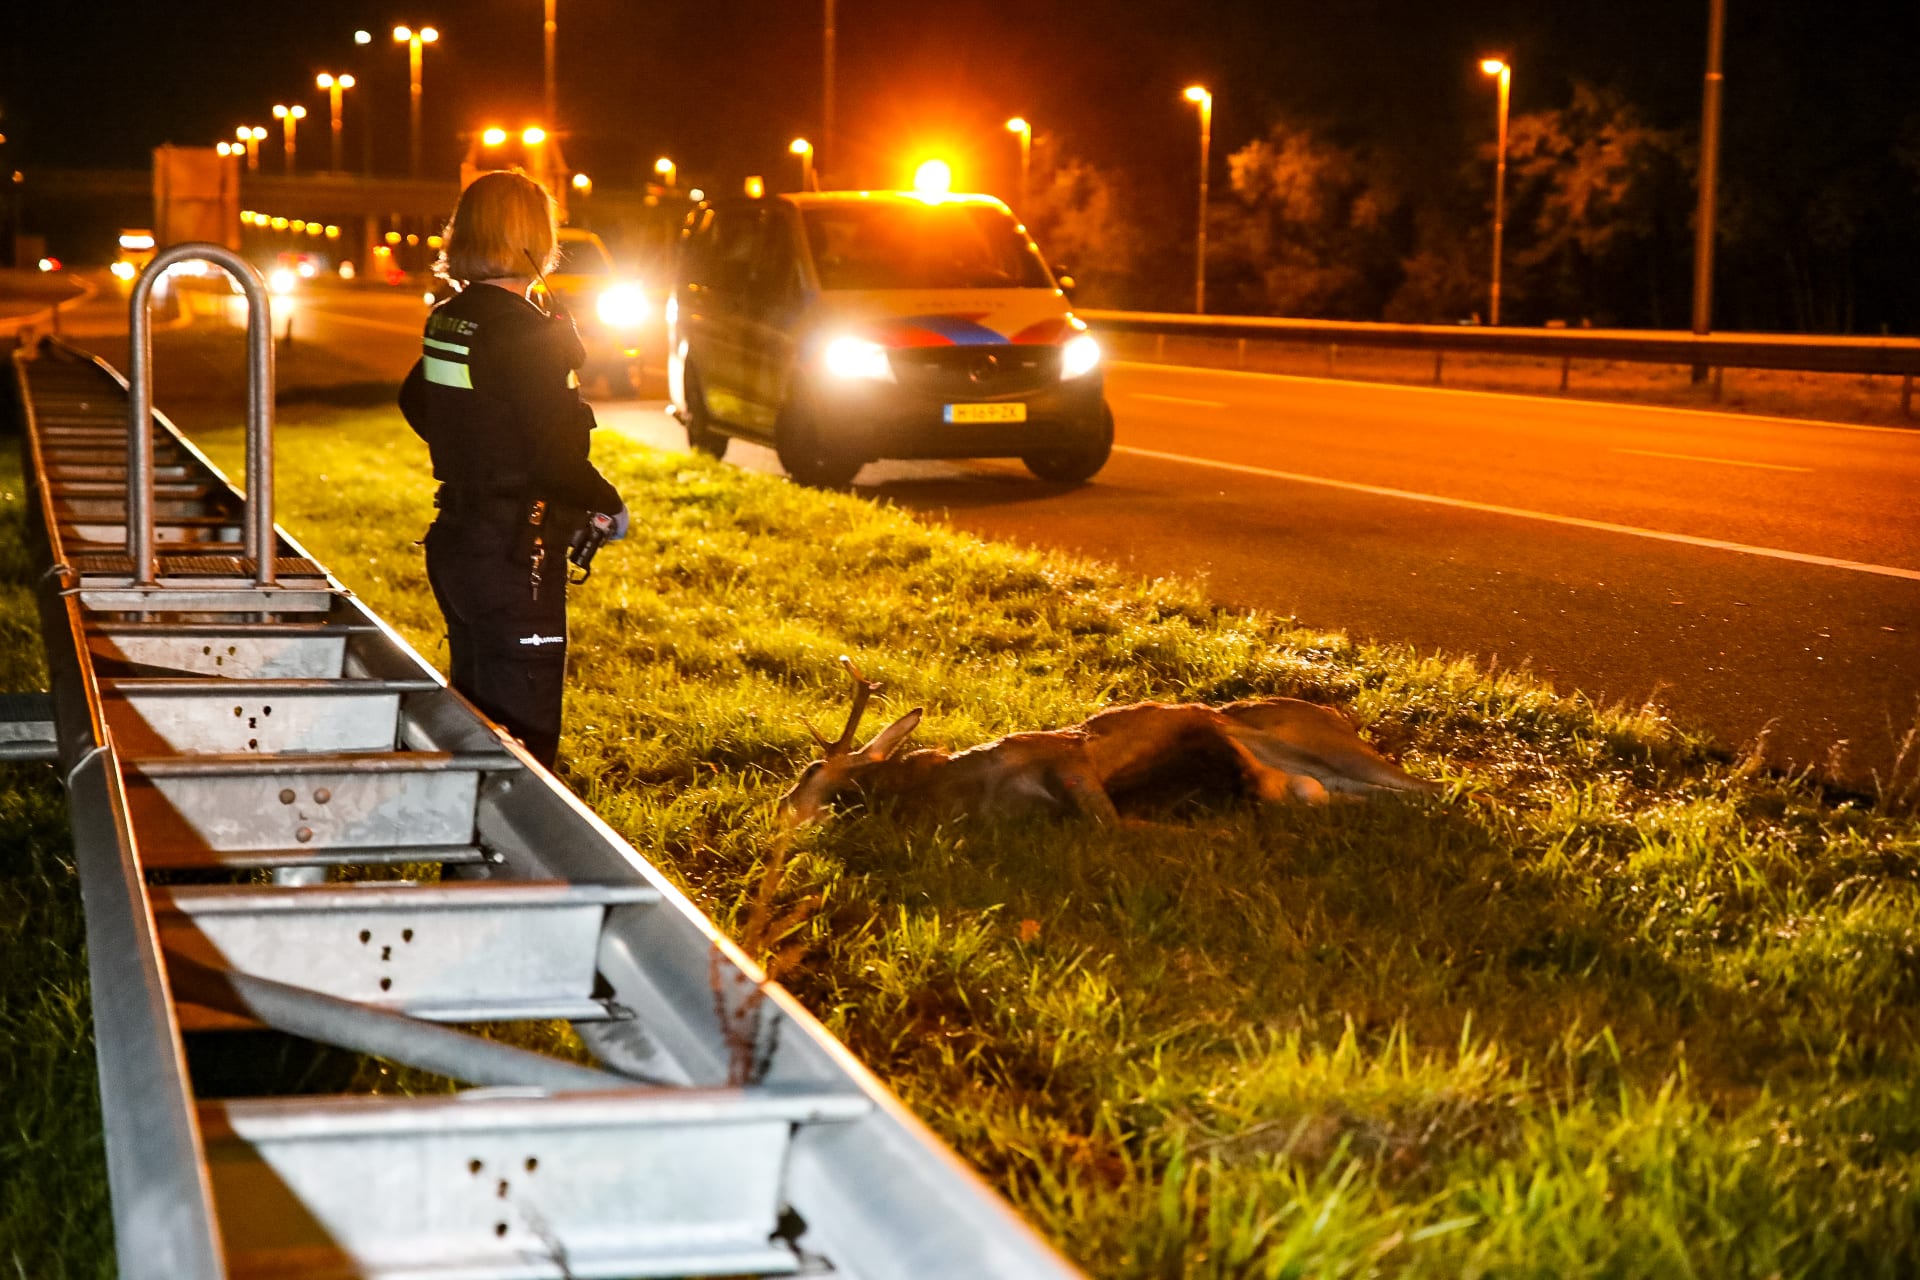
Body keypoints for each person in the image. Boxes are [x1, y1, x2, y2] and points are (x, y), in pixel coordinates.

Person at [398, 169, 627, 769]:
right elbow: (555, 455)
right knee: (522, 744)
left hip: (459, 542)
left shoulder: (451, 317)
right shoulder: (529, 332)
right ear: (535, 238)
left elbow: (416, 401)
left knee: (472, 721)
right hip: (513, 555)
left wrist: (475, 449)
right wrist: (610, 503)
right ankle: (511, 861)